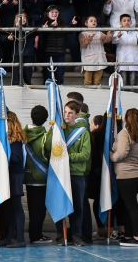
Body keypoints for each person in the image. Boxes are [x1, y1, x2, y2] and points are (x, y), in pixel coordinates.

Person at [49, 101, 90, 246]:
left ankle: (77, 235)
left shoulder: (83, 132)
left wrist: (66, 157)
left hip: (76, 174)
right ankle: (61, 234)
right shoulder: (58, 130)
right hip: (60, 174)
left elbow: (85, 154)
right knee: (60, 204)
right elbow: (50, 149)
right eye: (65, 112)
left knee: (77, 206)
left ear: (77, 115)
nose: (67, 115)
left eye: (70, 113)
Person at [111, 108, 138, 247]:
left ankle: (137, 237)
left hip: (126, 175)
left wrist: (111, 156)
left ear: (126, 119)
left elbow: (121, 153)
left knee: (131, 206)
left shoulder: (124, 133)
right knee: (127, 205)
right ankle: (128, 235)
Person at [23, 105, 52, 244]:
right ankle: (36, 235)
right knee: (39, 209)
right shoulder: (46, 136)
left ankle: (34, 233)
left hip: (27, 177)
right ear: (46, 119)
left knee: (31, 207)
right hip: (42, 177)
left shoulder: (22, 133)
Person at [5, 111, 26, 248]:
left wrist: (4, 156)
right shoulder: (10, 139)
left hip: (15, 176)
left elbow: (17, 158)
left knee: (17, 207)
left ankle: (20, 238)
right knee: (11, 209)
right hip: (11, 175)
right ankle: (10, 236)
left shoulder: (16, 140)